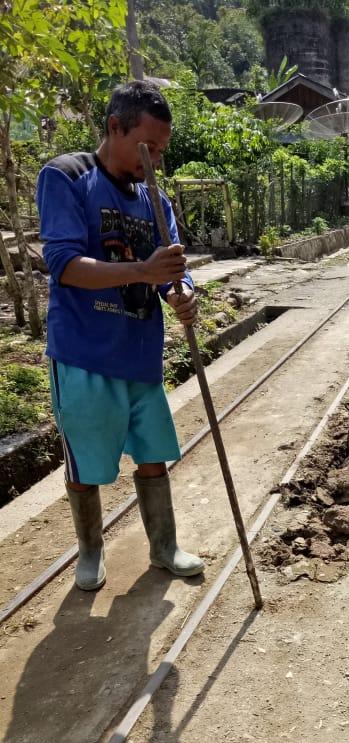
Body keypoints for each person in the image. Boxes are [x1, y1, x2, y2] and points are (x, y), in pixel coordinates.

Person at [36, 80, 204, 592]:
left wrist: (182, 292)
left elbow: (173, 267)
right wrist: (142, 274)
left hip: (140, 354)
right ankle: (90, 551)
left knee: (153, 453)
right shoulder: (66, 177)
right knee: (86, 460)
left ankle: (164, 547)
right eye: (146, 147)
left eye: (162, 150)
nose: (153, 160)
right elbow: (63, 264)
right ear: (115, 128)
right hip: (84, 355)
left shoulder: (155, 198)